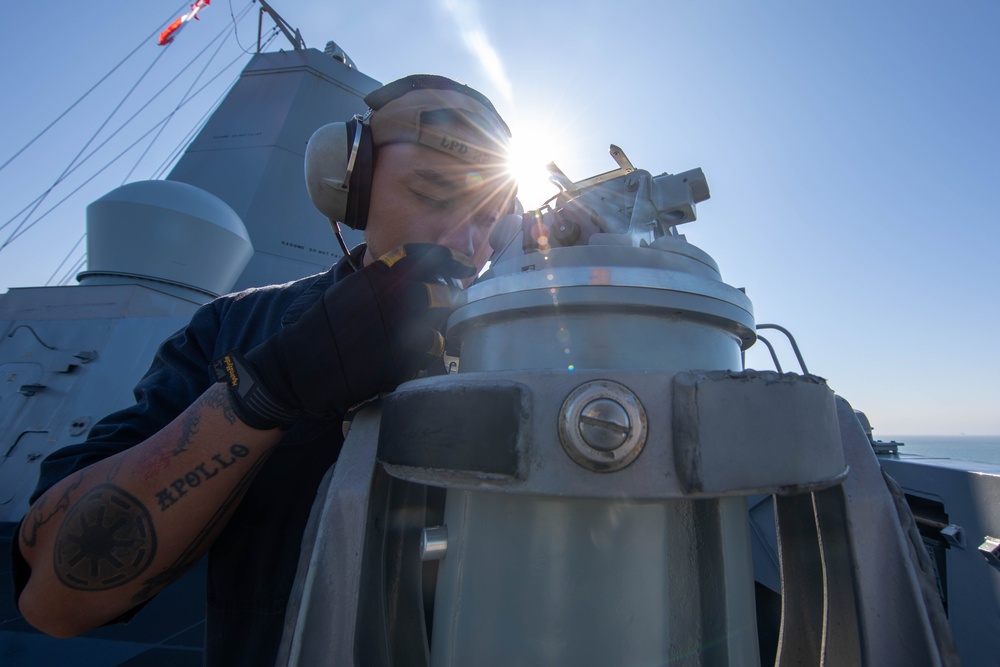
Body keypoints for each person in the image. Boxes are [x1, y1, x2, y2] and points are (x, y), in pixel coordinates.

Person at [12, 74, 517, 665]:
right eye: (431, 193)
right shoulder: (237, 328)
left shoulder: (527, 346)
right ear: (348, 185)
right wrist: (267, 391)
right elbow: (53, 600)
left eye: (489, 222)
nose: (464, 242)